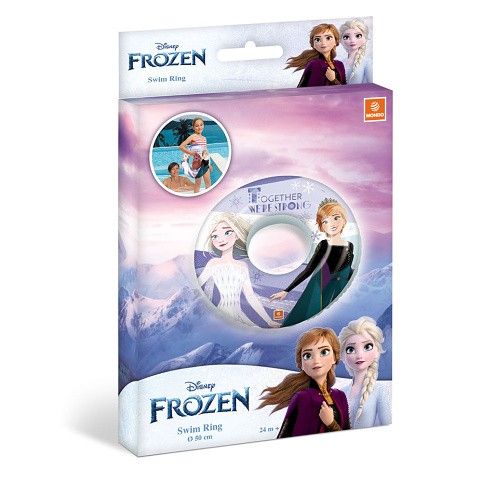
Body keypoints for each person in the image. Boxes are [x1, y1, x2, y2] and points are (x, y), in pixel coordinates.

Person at [270, 198, 354, 327]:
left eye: (336, 218)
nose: (332, 224)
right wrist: (286, 290)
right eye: (325, 221)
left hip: (339, 290)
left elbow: (349, 270)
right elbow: (309, 269)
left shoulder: (350, 245)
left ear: (344, 220)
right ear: (322, 226)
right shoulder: (324, 245)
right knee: (311, 319)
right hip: (320, 289)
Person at [259, 327, 349, 437]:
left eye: (324, 352)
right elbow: (284, 436)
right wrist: (331, 424)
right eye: (308, 355)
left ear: (334, 357)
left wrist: (331, 423)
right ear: (301, 364)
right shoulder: (302, 398)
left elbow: (348, 436)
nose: (316, 360)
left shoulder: (340, 396)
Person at [198, 213, 280, 328]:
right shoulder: (213, 263)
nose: (220, 239)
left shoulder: (242, 266)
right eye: (215, 236)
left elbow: (250, 296)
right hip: (222, 313)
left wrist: (268, 320)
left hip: (239, 314)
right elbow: (197, 286)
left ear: (236, 235)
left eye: (227, 233)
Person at [338, 316, 392, 428]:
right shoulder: (341, 392)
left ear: (377, 350)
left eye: (367, 346)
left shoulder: (382, 389)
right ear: (343, 355)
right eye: (350, 349)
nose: (359, 355)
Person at [286, 23, 346, 87]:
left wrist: (334, 80)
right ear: (313, 44)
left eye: (328, 38)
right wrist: (333, 80)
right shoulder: (315, 64)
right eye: (317, 39)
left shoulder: (339, 64)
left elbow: (345, 89)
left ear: (336, 41)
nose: (323, 43)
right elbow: (313, 90)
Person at [179, 117, 213, 193]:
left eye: (201, 125)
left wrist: (209, 164)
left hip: (205, 163)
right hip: (197, 163)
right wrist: (191, 153)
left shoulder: (204, 138)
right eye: (197, 126)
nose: (199, 127)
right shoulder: (192, 137)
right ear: (193, 127)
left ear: (203, 125)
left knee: (208, 183)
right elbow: (181, 146)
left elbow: (205, 152)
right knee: (198, 184)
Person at [339, 19, 372, 84]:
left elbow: (372, 85)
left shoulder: (367, 62)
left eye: (358, 36)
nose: (352, 40)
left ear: (365, 39)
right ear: (341, 41)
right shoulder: (340, 62)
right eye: (346, 37)